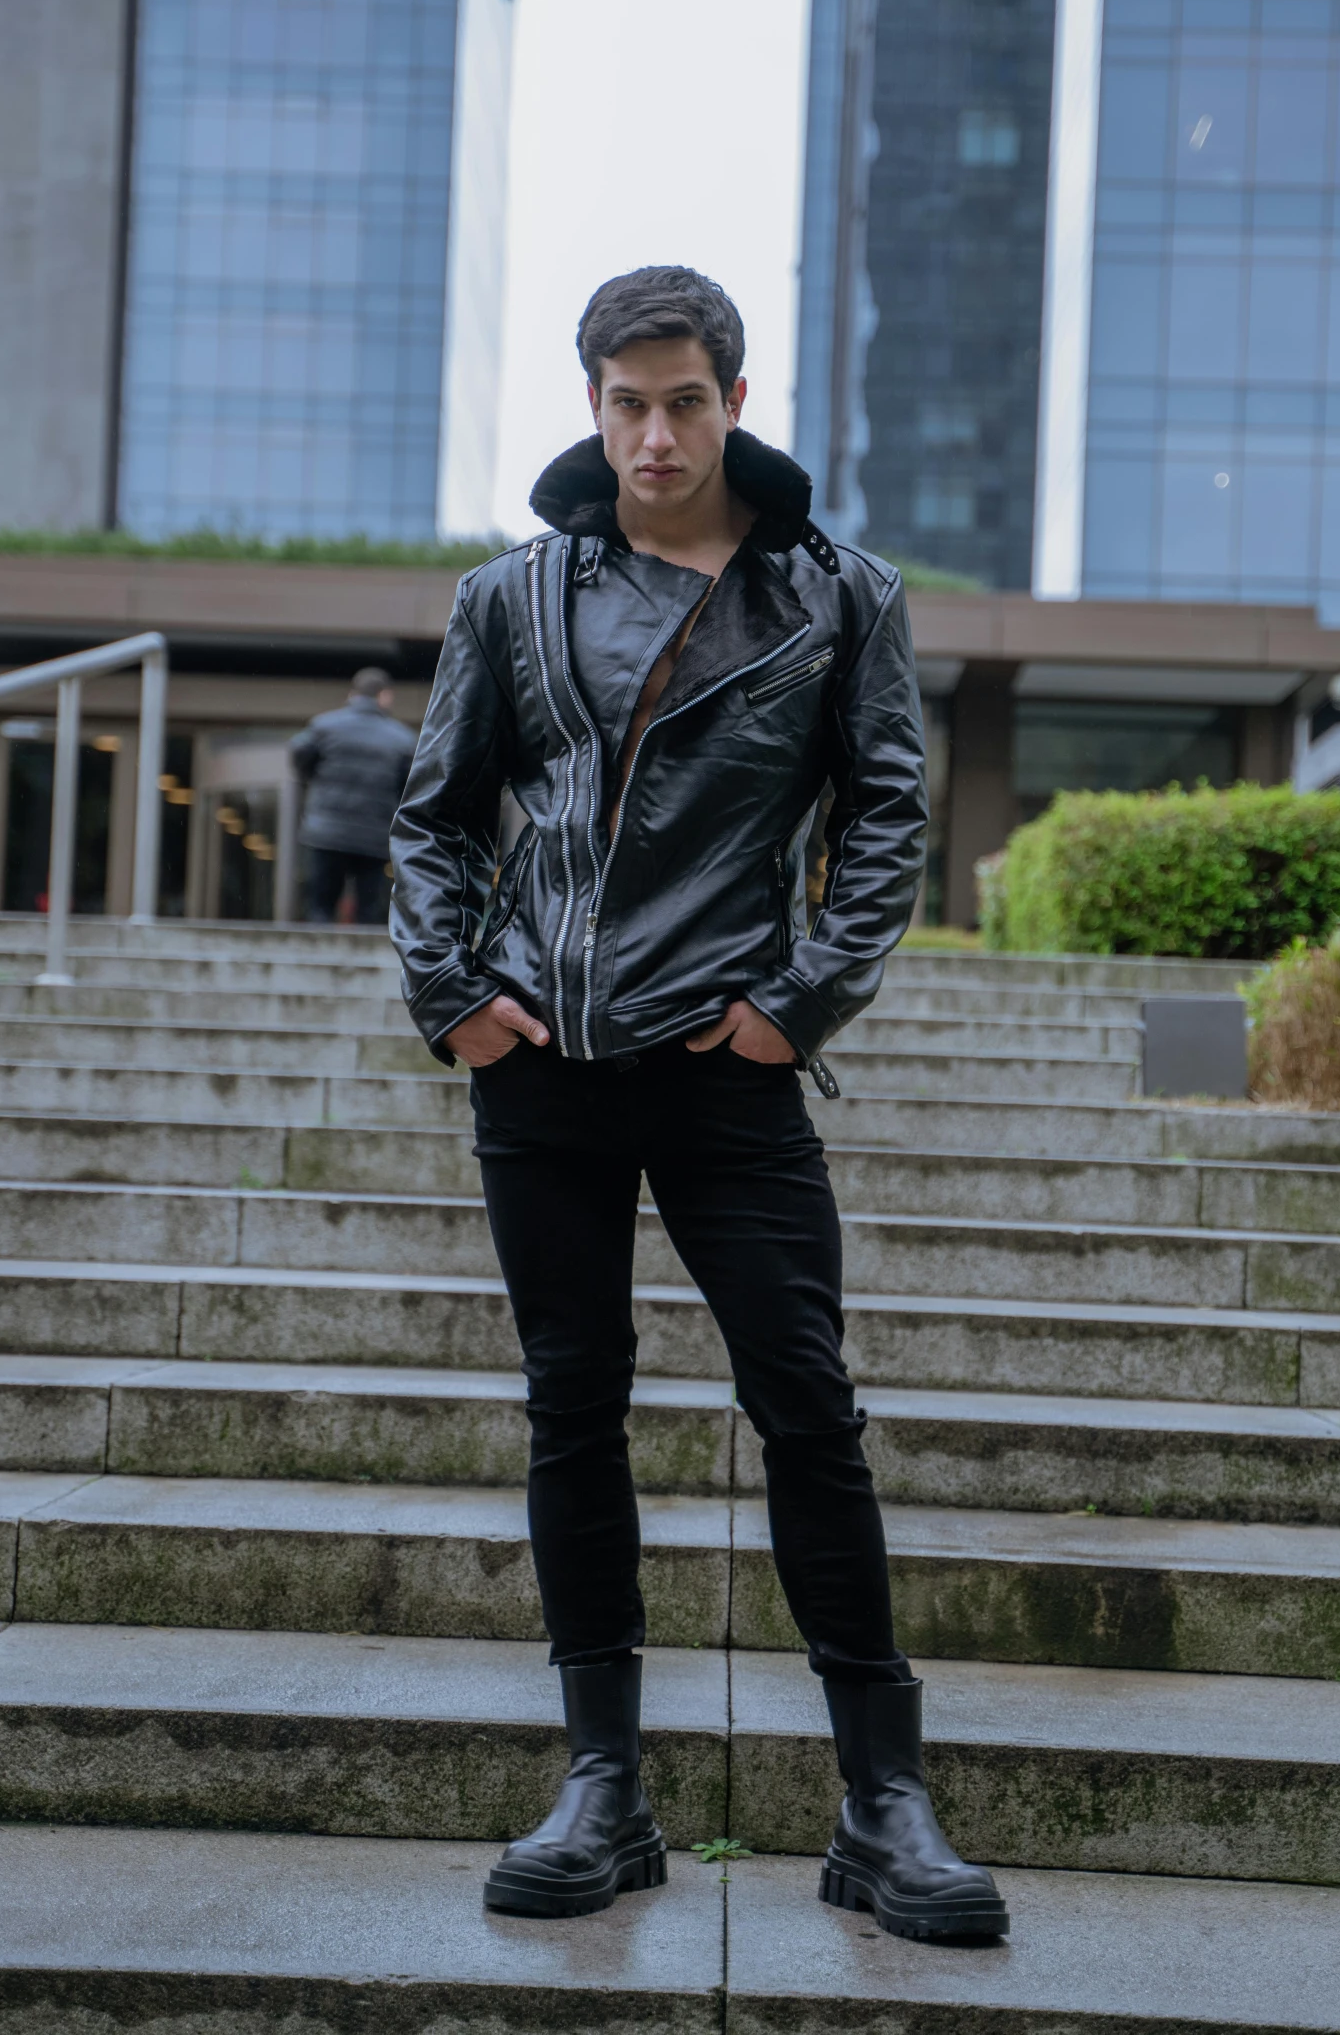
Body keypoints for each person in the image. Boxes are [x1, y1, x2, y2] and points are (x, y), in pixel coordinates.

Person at [389, 266, 1007, 1944]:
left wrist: (792, 1009)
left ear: (732, 397)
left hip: (725, 1068)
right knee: (570, 1403)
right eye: (623, 402)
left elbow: (886, 820)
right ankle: (605, 1786)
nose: (652, 434)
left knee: (803, 1402)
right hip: (544, 1068)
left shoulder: (836, 594)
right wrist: (457, 999)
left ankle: (883, 1801)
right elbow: (435, 815)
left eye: (682, 400)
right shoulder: (510, 597)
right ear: (592, 404)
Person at [289, 666, 416, 925]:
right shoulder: (402, 738)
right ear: (384, 696)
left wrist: (312, 781)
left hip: (326, 831)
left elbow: (299, 754)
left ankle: (317, 958)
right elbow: (410, 785)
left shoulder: (324, 726)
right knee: (367, 911)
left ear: (352, 694)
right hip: (373, 834)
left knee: (321, 906)